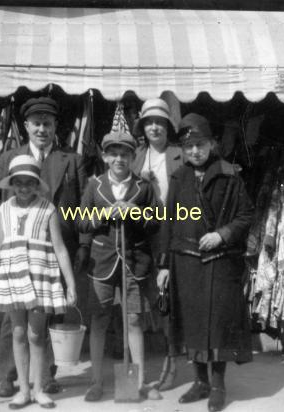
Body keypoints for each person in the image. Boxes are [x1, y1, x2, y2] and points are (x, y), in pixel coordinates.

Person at [0, 97, 89, 398]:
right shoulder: (10, 158)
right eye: (36, 124)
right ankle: (8, 376)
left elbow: (82, 207)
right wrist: (13, 230)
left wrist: (82, 244)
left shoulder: (71, 159)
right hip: (18, 254)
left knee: (49, 317)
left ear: (55, 126)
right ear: (26, 126)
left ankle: (46, 377)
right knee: (13, 322)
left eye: (47, 123)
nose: (42, 129)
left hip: (56, 249)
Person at [156, 113, 254, 412]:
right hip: (184, 263)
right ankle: (199, 381)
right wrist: (163, 265)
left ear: (211, 144)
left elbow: (245, 215)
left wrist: (222, 235)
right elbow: (168, 221)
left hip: (219, 261)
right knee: (191, 323)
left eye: (200, 144)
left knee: (218, 324)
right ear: (182, 151)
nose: (195, 152)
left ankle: (218, 385)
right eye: (188, 147)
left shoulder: (229, 174)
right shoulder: (178, 177)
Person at [79, 131, 162, 402]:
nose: (119, 158)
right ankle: (96, 382)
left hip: (134, 261)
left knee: (135, 319)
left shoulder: (144, 187)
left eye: (124, 154)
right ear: (104, 157)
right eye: (113, 153)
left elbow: (156, 221)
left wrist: (135, 213)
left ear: (132, 157)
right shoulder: (94, 186)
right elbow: (80, 222)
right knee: (99, 319)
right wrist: (102, 215)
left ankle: (137, 382)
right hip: (102, 261)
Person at [0, 154, 77, 409]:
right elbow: (0, 246)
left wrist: (70, 283)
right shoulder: (4, 209)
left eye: (29, 183)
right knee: (18, 332)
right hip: (12, 276)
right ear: (12, 183)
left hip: (41, 277)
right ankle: (24, 392)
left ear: (37, 184)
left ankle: (39, 388)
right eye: (19, 182)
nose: (24, 188)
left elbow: (60, 248)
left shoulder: (47, 209)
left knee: (36, 334)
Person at [131, 98, 183, 391]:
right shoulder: (136, 157)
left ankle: (172, 363)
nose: (154, 127)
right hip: (144, 237)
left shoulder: (179, 154)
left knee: (169, 303)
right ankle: (146, 368)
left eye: (160, 123)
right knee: (152, 300)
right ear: (142, 127)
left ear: (167, 127)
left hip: (174, 232)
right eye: (149, 122)